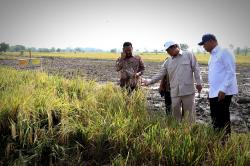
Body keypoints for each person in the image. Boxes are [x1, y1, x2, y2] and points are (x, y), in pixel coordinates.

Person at [143, 41, 202, 123]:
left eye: (169, 50)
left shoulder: (188, 55)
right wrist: (149, 81)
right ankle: (177, 132)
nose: (168, 52)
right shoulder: (168, 61)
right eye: (166, 51)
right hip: (175, 92)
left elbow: (196, 69)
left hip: (187, 91)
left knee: (189, 115)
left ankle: (189, 132)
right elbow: (160, 74)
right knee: (175, 115)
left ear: (175, 46)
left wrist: (199, 83)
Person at [198, 34, 238, 136]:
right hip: (215, 92)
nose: (204, 47)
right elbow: (215, 75)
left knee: (222, 117)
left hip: (223, 92)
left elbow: (231, 72)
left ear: (211, 41)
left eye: (204, 44)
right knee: (215, 117)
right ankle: (217, 138)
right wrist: (211, 92)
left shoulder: (224, 52)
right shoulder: (212, 55)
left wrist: (223, 89)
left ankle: (225, 141)